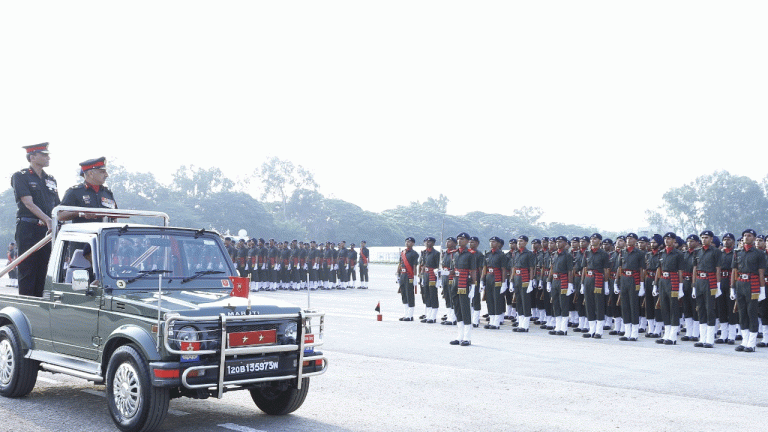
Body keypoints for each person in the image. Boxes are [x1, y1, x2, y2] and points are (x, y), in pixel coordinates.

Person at [11, 143, 60, 297]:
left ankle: (39, 305)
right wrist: (48, 219)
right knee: (27, 270)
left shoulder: (51, 179)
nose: (48, 157)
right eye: (44, 155)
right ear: (32, 157)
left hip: (47, 230)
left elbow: (57, 206)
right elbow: (28, 203)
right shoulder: (20, 176)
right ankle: (27, 306)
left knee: (44, 270)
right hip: (29, 228)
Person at [731, 229, 766, 352]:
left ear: (754, 238)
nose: (746, 237)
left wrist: (762, 290)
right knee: (742, 313)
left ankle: (751, 343)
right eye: (745, 235)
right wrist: (732, 288)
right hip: (740, 284)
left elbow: (761, 273)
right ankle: (744, 341)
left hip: (753, 284)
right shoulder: (737, 252)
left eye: (749, 236)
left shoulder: (759, 253)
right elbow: (734, 271)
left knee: (752, 313)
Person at [59, 157, 117, 223]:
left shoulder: (108, 193)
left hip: (105, 229)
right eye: (102, 172)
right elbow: (60, 215)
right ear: (91, 174)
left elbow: (115, 217)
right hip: (84, 229)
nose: (106, 175)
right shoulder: (74, 192)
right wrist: (79, 213)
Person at [692, 230, 722, 348]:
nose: (704, 239)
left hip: (710, 281)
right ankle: (702, 338)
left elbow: (718, 269)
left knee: (710, 309)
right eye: (703, 237)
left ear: (711, 239)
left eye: (706, 237)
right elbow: (695, 269)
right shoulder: (697, 251)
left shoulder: (716, 251)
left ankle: (710, 339)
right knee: (700, 309)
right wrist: (694, 286)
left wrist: (718, 285)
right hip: (699, 281)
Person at [654, 232, 685, 345]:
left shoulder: (678, 254)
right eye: (665, 238)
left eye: (669, 238)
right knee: (664, 307)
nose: (667, 240)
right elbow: (659, 269)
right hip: (663, 281)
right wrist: (655, 285)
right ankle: (666, 334)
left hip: (673, 281)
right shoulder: (661, 253)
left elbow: (680, 271)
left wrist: (680, 288)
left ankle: (673, 336)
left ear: (674, 240)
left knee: (674, 308)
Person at [580, 233, 611, 339]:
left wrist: (606, 284)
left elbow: (606, 270)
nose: (593, 240)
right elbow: (584, 268)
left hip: (598, 280)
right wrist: (582, 283)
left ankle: (599, 331)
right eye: (592, 239)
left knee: (599, 305)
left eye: (595, 239)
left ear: (600, 241)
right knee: (589, 305)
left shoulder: (603, 254)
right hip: (588, 279)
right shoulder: (587, 253)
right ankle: (591, 329)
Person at [616, 233, 646, 341]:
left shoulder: (639, 253)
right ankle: (627, 332)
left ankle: (634, 333)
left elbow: (642, 269)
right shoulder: (622, 252)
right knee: (625, 306)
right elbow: (619, 267)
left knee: (634, 306)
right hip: (624, 279)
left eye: (631, 238)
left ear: (635, 240)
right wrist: (617, 282)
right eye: (627, 238)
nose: (629, 240)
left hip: (634, 279)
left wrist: (641, 285)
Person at [450, 233, 476, 346]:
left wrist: (473, 286)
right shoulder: (455, 253)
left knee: (465, 309)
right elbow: (453, 269)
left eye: (462, 239)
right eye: (458, 239)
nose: (460, 241)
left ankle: (467, 337)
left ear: (467, 241)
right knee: (457, 308)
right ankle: (459, 336)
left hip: (464, 283)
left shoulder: (470, 254)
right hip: (455, 282)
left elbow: (473, 271)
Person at [547, 235, 574, 335]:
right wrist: (548, 281)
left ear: (566, 243)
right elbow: (551, 268)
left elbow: (570, 271)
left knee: (564, 304)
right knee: (556, 303)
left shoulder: (568, 255)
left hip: (563, 281)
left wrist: (570, 284)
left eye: (561, 242)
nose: (558, 243)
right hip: (555, 280)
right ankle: (557, 327)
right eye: (557, 242)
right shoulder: (554, 254)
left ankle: (564, 328)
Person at [483, 237, 508, 330]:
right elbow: (484, 268)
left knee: (497, 300)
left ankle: (496, 322)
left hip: (497, 278)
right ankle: (491, 320)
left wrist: (504, 282)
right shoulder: (487, 254)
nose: (491, 243)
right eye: (490, 241)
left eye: (493, 242)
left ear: (498, 243)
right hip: (488, 278)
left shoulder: (501, 255)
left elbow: (503, 270)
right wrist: (482, 280)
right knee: (489, 300)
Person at [420, 237, 441, 324]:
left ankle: (433, 316)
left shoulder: (436, 253)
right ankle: (428, 315)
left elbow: (438, 266)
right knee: (426, 295)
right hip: (425, 274)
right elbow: (422, 265)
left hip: (432, 275)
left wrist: (438, 279)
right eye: (426, 241)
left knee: (433, 295)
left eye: (429, 242)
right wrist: (421, 276)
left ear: (433, 243)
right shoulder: (424, 252)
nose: (427, 243)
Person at [397, 237, 419, 321]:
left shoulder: (414, 254)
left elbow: (414, 266)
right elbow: (400, 264)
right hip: (402, 275)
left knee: (409, 294)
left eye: (409, 242)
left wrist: (415, 277)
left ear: (413, 243)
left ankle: (410, 315)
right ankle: (406, 314)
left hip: (409, 275)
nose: (407, 243)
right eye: (406, 241)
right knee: (403, 294)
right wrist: (398, 274)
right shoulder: (402, 252)